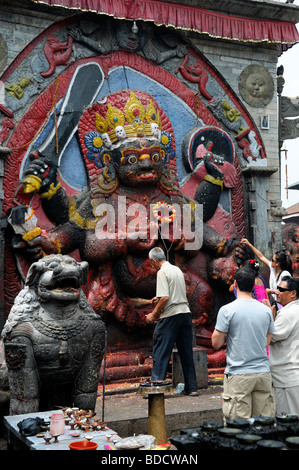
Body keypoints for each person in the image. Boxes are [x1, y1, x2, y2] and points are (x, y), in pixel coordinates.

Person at [212, 266, 275, 420]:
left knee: (238, 427)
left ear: (235, 284)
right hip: (262, 373)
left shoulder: (227, 310)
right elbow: (267, 342)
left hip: (239, 374)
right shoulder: (266, 310)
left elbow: (216, 343)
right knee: (263, 426)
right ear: (253, 285)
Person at [145, 247, 198, 396]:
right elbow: (173, 293)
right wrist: (160, 298)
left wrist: (153, 314)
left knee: (161, 350)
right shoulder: (176, 270)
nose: (152, 266)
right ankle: (192, 388)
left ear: (154, 261)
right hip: (185, 314)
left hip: (171, 315)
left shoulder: (161, 272)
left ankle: (156, 386)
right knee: (186, 352)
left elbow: (166, 298)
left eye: (151, 263)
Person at [268, 276, 299, 415]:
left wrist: (269, 316)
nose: (277, 292)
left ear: (293, 293)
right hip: (290, 376)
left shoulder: (287, 314)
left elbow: (270, 338)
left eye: (281, 289)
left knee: (288, 422)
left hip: (287, 377)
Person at [241, 238, 292, 307]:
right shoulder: (273, 268)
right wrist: (249, 244)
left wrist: (271, 291)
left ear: (277, 264)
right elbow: (261, 257)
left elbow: (287, 291)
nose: (270, 261)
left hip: (284, 304)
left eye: (272, 260)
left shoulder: (285, 274)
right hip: (276, 303)